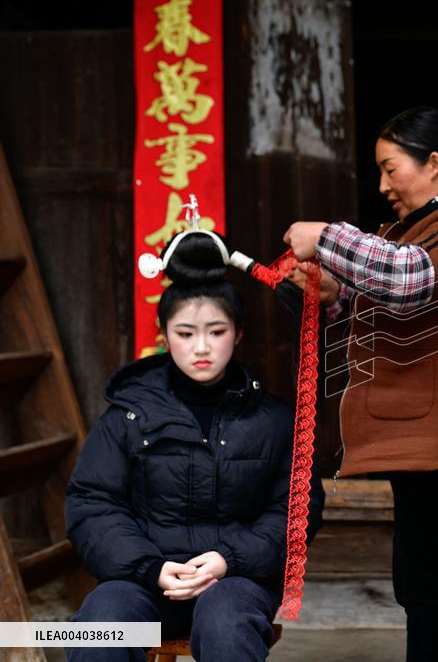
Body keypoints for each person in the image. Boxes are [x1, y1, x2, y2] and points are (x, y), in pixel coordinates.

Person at [283, 106, 438, 661]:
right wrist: (337, 296)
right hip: (418, 440)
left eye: (391, 168)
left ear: (434, 163)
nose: (382, 185)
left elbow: (407, 277)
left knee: (433, 582)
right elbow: (392, 296)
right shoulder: (425, 230)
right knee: (423, 579)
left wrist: (328, 237)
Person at [64, 230, 325, 662]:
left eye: (216, 331)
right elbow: (93, 503)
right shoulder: (128, 414)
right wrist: (149, 568)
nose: (201, 347)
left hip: (236, 580)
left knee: (227, 622)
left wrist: (228, 559)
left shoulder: (276, 422)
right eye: (185, 333)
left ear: (238, 334)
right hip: (143, 580)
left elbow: (296, 510)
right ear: (165, 336)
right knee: (99, 627)